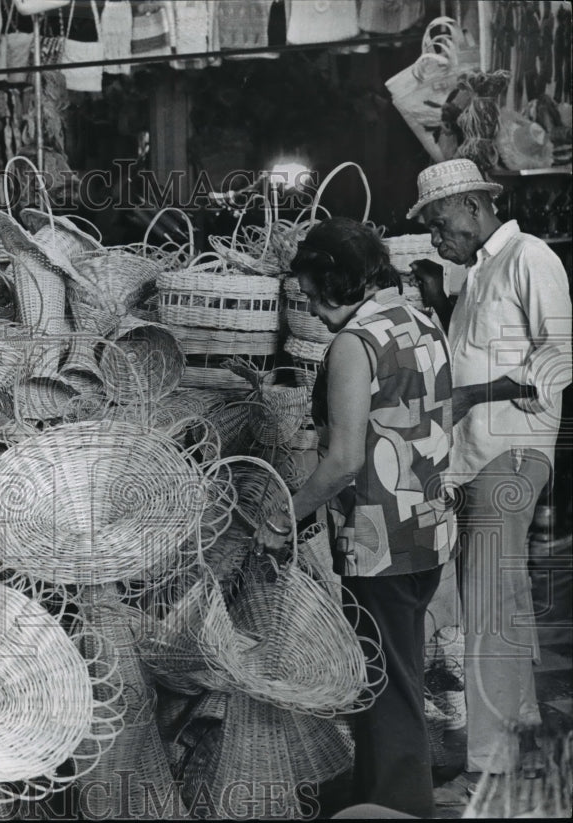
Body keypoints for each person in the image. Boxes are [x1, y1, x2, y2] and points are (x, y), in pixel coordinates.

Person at [255, 217, 456, 818]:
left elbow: (342, 460)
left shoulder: (354, 344)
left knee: (390, 689)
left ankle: (401, 805)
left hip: (381, 541)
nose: (311, 306)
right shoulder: (422, 320)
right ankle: (374, 796)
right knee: (388, 675)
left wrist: (282, 517)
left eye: (316, 290)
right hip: (429, 529)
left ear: (340, 280)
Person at [407, 158, 573, 775]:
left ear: (475, 207)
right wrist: (441, 302)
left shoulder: (530, 257)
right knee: (496, 593)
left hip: (513, 447)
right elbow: (482, 351)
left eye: (439, 220)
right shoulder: (478, 272)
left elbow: (561, 358)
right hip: (478, 452)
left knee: (486, 599)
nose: (434, 235)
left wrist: (473, 396)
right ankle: (516, 729)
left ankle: (495, 753)